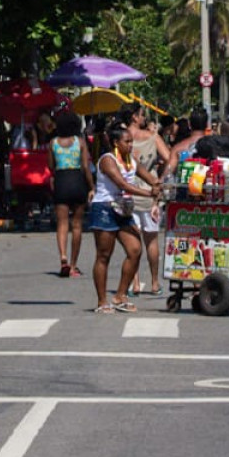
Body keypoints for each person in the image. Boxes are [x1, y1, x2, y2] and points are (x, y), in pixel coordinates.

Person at [89, 118, 152, 313]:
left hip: (123, 209)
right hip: (105, 209)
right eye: (127, 142)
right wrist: (149, 193)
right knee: (104, 256)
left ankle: (120, 295)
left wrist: (158, 185)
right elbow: (123, 185)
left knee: (135, 250)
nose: (131, 145)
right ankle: (102, 301)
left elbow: (148, 176)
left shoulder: (131, 160)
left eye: (132, 141)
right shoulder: (108, 160)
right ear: (116, 143)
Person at [128, 107, 170, 293]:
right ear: (134, 117)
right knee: (151, 241)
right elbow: (169, 157)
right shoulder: (152, 137)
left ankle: (134, 283)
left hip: (129, 191)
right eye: (142, 114)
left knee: (132, 241)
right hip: (151, 192)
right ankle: (154, 283)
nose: (144, 117)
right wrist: (160, 176)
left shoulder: (122, 137)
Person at [48, 111, 93, 278]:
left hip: (61, 180)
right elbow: (86, 167)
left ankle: (63, 257)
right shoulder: (79, 142)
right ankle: (74, 265)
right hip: (77, 181)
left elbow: (50, 165)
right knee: (77, 225)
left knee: (62, 223)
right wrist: (91, 186)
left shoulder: (53, 143)